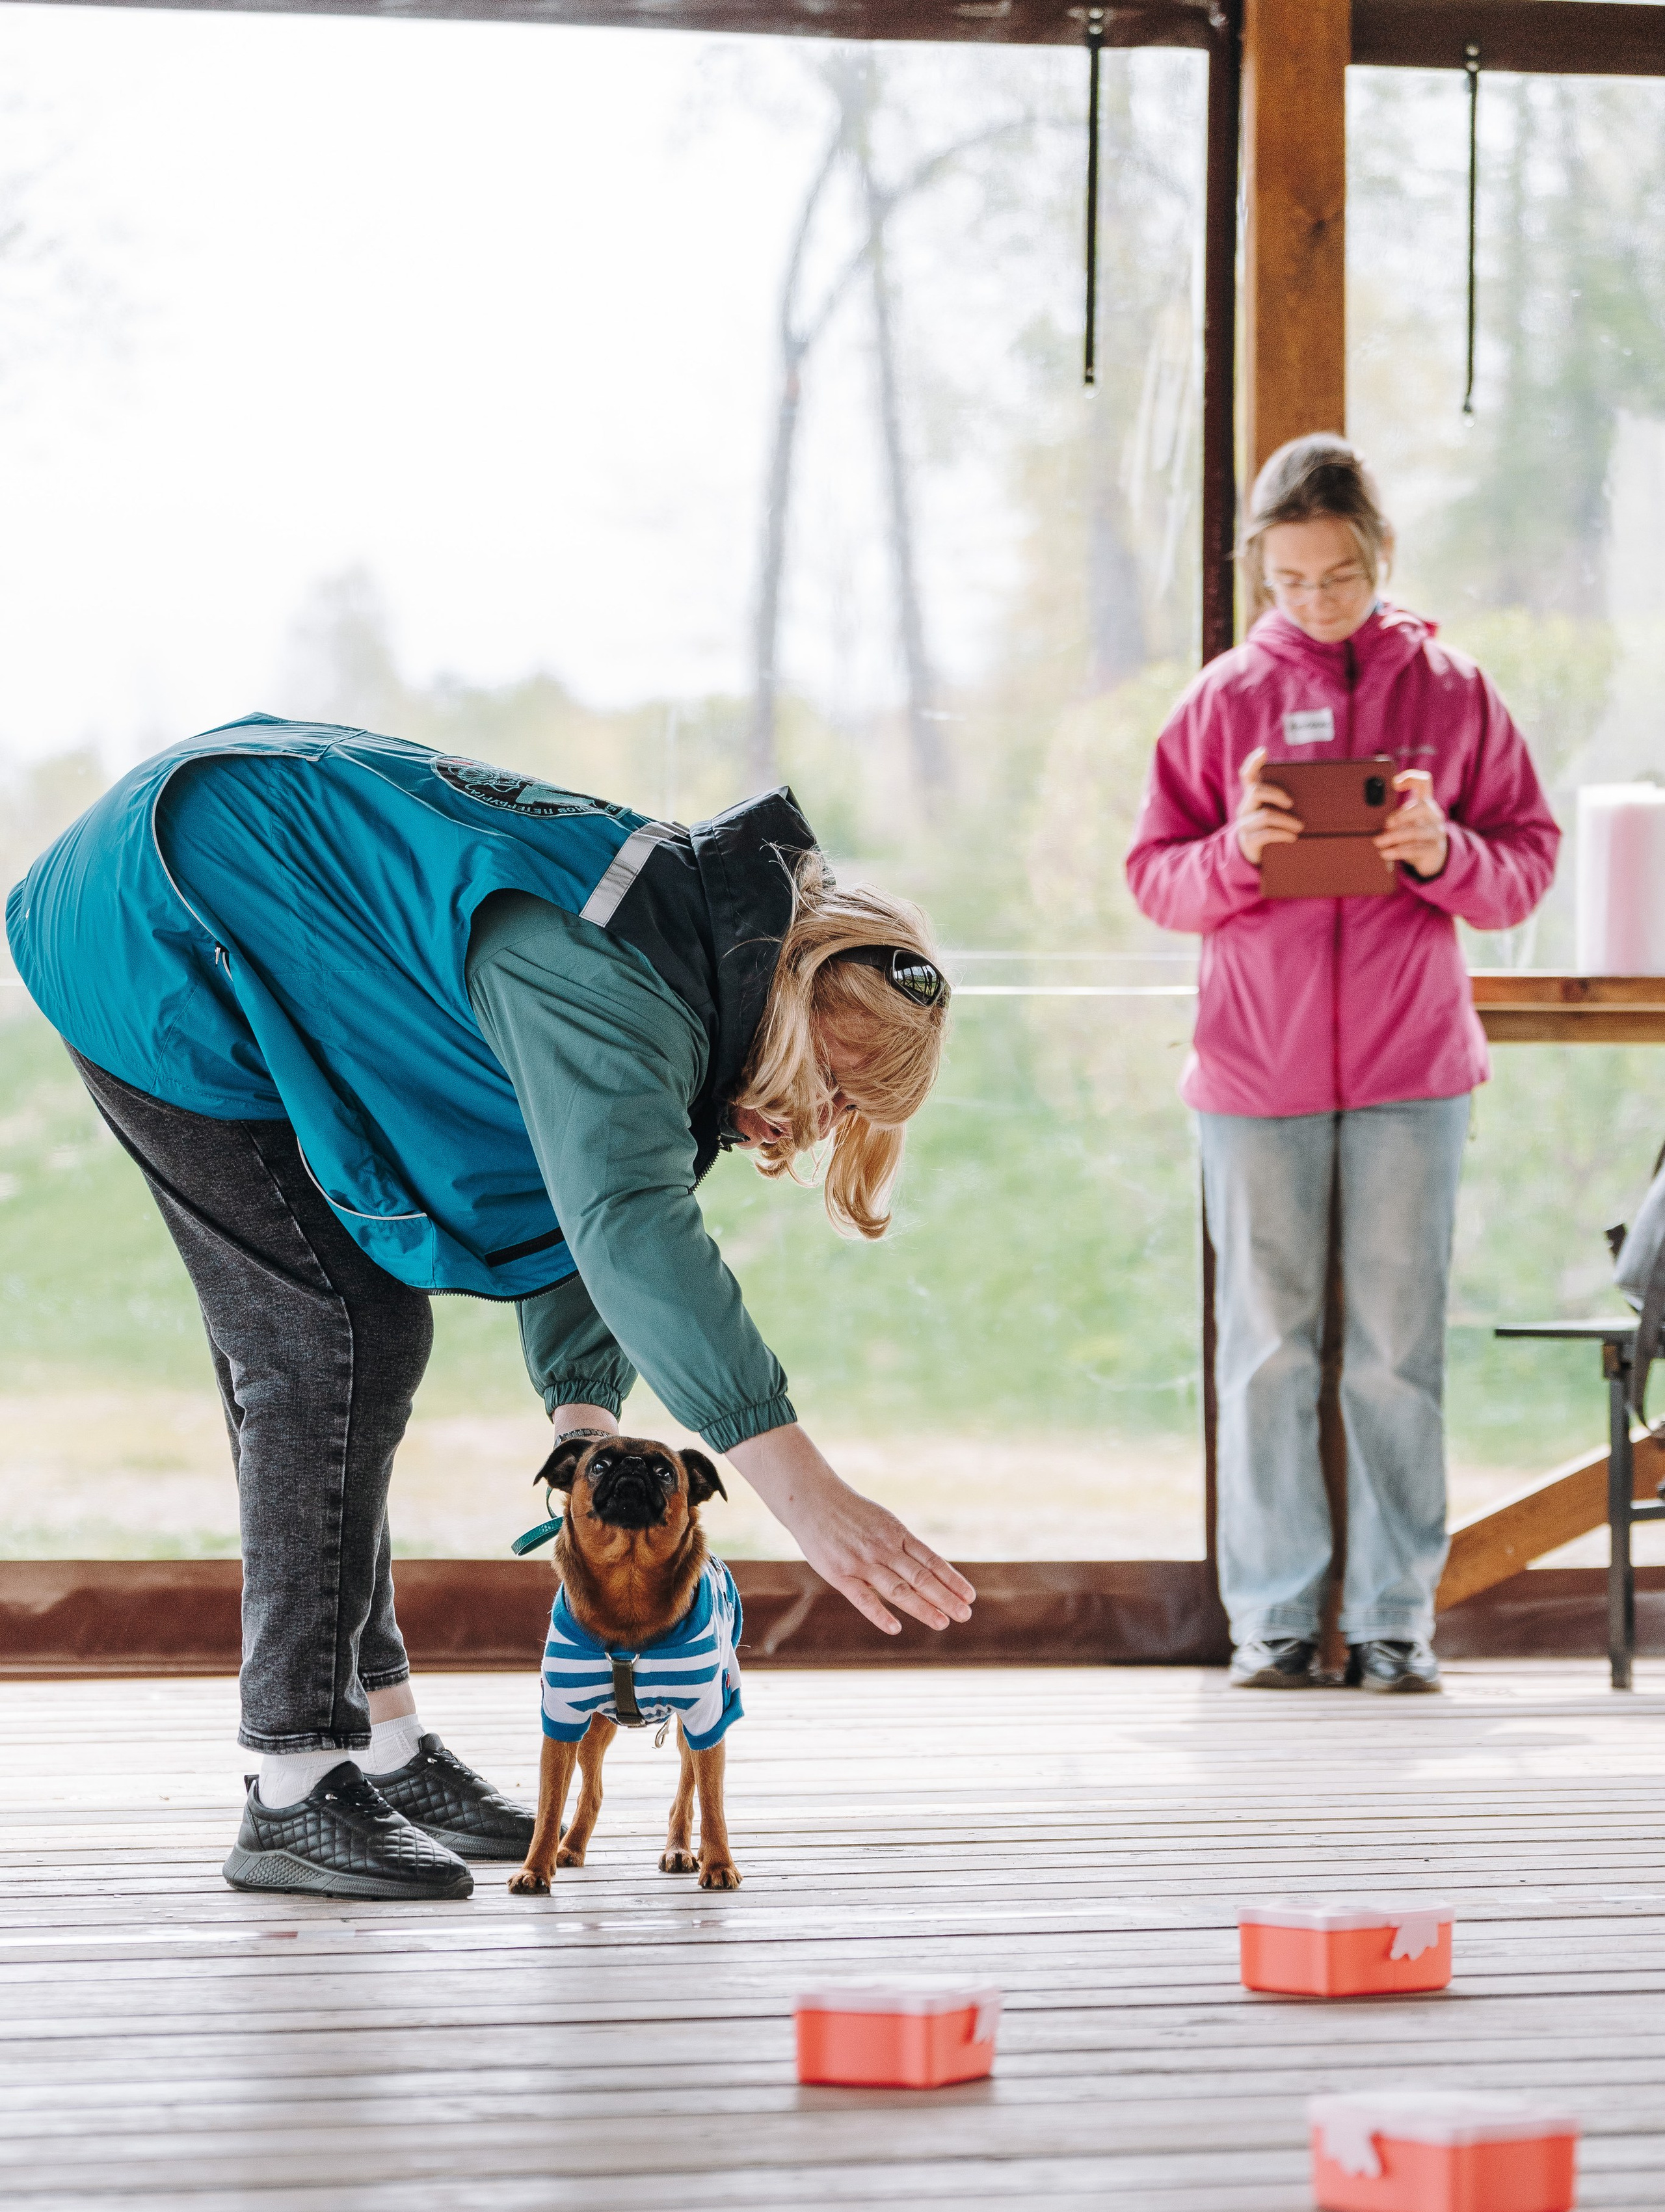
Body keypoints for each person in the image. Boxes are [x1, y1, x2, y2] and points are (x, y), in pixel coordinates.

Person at [7, 717, 974, 1893]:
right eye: (831, 1089)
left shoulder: (684, 965)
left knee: (353, 1333)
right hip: (154, 922)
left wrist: (585, 1420)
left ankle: (385, 1744)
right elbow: (625, 1220)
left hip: (211, 888)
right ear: (796, 998)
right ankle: (296, 1780)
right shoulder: (616, 978)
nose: (810, 1129)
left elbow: (584, 1182)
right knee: (330, 1339)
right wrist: (807, 1495)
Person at [1126, 435, 1559, 1696]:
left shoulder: (1455, 691)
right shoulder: (1217, 702)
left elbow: (1523, 860)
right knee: (1263, 1348)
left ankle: (1388, 1620)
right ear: (1257, 566)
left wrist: (1440, 852)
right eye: (1289, 579)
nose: (1314, 600)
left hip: (1411, 1073)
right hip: (1250, 1077)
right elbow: (1151, 874)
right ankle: (1267, 1619)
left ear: (1379, 552)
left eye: (1338, 573)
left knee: (1392, 1350)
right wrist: (1232, 854)